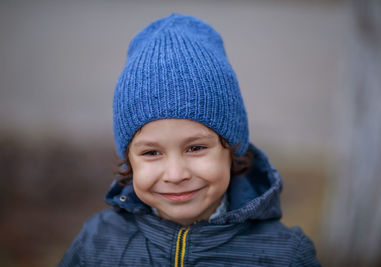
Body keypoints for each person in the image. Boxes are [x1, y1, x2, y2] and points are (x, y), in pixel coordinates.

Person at [58, 13, 321, 266]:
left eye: (195, 148)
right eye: (151, 153)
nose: (175, 174)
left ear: (233, 149)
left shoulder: (285, 255)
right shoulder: (96, 244)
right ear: (129, 160)